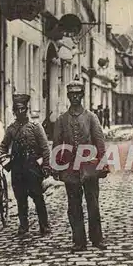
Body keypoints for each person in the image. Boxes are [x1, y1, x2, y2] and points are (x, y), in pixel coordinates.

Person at [52, 77, 109, 252]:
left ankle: (96, 238)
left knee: (93, 205)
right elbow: (57, 144)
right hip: (70, 169)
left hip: (89, 168)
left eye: (78, 94)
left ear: (82, 95)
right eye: (72, 95)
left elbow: (100, 142)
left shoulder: (91, 117)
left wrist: (103, 164)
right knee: (73, 206)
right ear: (68, 96)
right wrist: (56, 166)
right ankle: (78, 241)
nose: (75, 97)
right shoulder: (61, 119)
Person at [0, 93, 51, 236]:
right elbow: (4, 146)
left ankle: (44, 225)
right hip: (17, 167)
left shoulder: (35, 127)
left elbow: (45, 148)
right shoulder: (11, 129)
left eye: (23, 109)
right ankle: (23, 226)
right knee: (20, 197)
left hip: (32, 167)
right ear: (14, 111)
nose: (20, 112)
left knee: (37, 197)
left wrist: (46, 166)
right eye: (17, 109)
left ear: (27, 109)